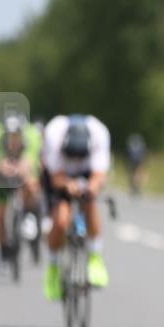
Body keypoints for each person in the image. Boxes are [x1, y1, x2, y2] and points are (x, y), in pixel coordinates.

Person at [41, 114, 111, 301]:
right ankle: (54, 269)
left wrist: (90, 188)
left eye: (80, 156)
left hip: (88, 173)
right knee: (61, 220)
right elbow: (55, 178)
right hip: (59, 175)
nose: (76, 160)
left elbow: (98, 176)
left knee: (90, 203)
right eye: (72, 156)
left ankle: (95, 258)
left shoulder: (99, 133)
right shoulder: (53, 134)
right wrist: (67, 186)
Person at [0, 112, 42, 272]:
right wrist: (5, 167)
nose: (13, 140)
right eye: (9, 136)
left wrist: (22, 170)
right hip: (5, 168)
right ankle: (2, 251)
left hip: (24, 164)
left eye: (16, 136)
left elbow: (29, 161)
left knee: (31, 184)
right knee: (1, 212)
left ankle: (29, 214)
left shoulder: (32, 135)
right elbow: (0, 161)